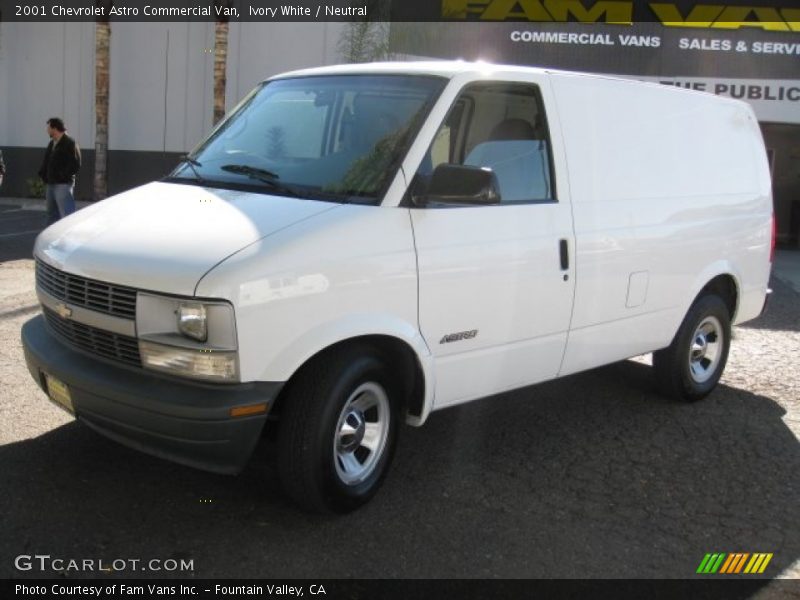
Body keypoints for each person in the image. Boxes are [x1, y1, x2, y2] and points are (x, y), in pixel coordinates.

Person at [38, 117, 81, 225]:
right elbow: (46, 161)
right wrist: (43, 174)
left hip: (63, 185)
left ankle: (68, 239)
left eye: (48, 127)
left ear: (55, 128)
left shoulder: (70, 143)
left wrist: (62, 176)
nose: (47, 130)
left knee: (66, 215)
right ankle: (52, 239)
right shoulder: (52, 143)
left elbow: (76, 164)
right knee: (51, 215)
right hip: (51, 184)